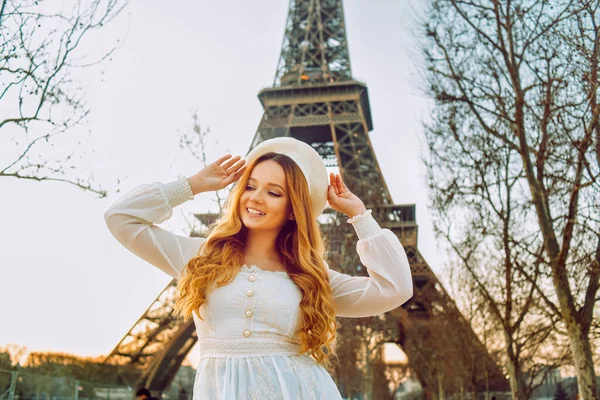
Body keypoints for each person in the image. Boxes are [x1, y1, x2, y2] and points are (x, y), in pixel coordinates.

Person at [105, 137, 413, 399]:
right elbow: (120, 217)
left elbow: (394, 289)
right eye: (250, 186)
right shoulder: (199, 257)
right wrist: (193, 185)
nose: (255, 198)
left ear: (294, 210)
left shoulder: (311, 277)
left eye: (274, 192)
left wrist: (360, 215)